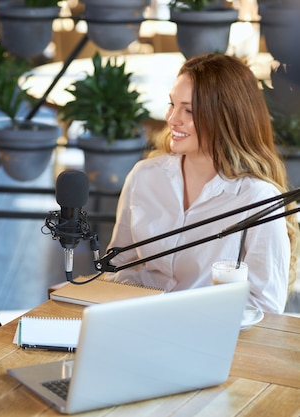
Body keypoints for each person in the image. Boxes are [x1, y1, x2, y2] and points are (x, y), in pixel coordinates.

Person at [103, 53, 299, 314]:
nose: (172, 119)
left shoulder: (258, 199)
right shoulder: (144, 176)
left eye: (189, 110)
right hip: (140, 323)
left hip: (214, 338)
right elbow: (118, 266)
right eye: (172, 104)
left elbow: (265, 306)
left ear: (226, 117)